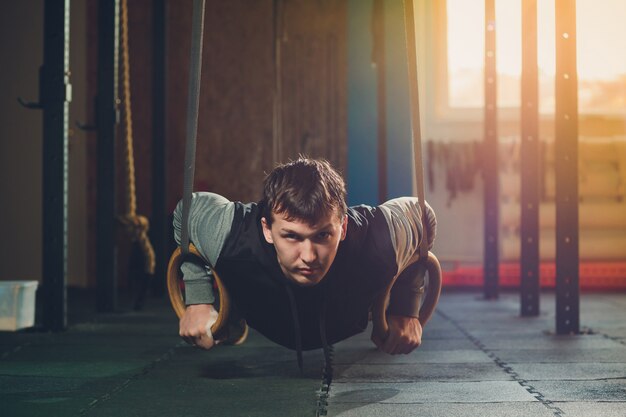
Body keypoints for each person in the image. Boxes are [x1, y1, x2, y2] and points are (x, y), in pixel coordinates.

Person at [173, 157, 436, 360]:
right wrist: (198, 299)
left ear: (343, 227)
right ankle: (235, 316)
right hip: (262, 312)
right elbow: (187, 209)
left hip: (347, 316)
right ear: (266, 229)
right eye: (291, 236)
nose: (309, 256)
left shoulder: (377, 239)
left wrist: (406, 306)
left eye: (322, 235)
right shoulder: (233, 233)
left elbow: (422, 214)